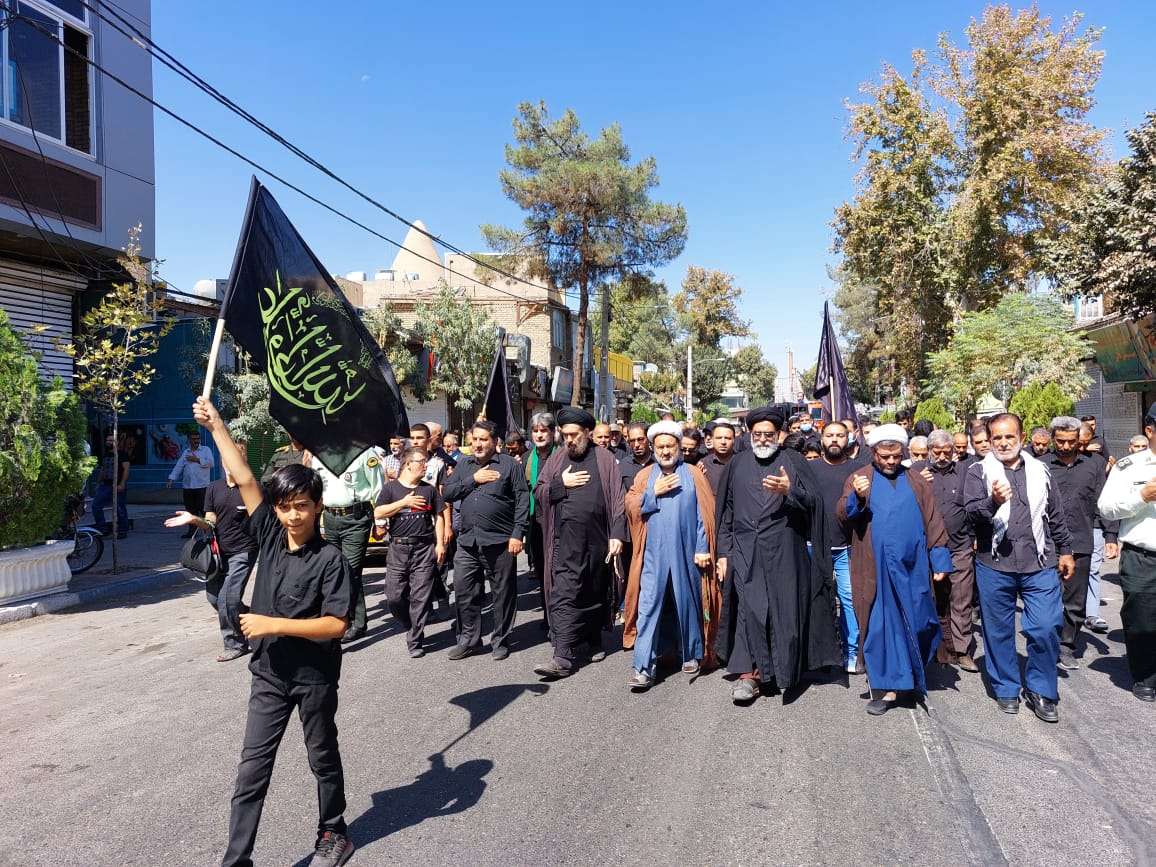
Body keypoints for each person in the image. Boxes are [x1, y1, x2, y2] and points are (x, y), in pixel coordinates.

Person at [193, 398, 354, 867]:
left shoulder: (331, 560)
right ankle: (236, 859)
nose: (291, 516)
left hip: (314, 677)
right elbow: (243, 478)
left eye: (301, 507)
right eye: (284, 508)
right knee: (251, 772)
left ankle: (334, 830)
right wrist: (217, 425)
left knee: (322, 757)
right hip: (268, 675)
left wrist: (272, 625)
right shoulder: (267, 534)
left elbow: (336, 625)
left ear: (318, 505)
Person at [713, 406, 841, 703]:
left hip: (785, 551)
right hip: (745, 551)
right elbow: (726, 514)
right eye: (757, 434)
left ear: (779, 434)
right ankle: (751, 675)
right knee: (750, 610)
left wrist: (790, 491)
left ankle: (784, 672)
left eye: (768, 434)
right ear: (749, 434)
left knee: (783, 612)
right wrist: (723, 553)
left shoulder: (793, 461)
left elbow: (815, 505)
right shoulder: (737, 463)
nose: (762, 439)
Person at [964, 413, 1075, 722]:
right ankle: (1007, 687)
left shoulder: (1041, 470)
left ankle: (1041, 689)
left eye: (1009, 436)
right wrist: (993, 501)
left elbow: (1055, 515)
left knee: (1045, 626)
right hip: (994, 563)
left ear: (1021, 437)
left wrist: (1066, 551)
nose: (1003, 442)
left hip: (1038, 561)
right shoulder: (978, 472)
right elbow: (971, 515)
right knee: (998, 630)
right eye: (996, 437)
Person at [838, 423, 952, 715]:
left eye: (895, 456)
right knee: (880, 628)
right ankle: (886, 687)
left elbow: (933, 521)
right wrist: (857, 499)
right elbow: (842, 517)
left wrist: (939, 558)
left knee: (917, 620)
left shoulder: (915, 480)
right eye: (884, 456)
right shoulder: (859, 478)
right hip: (875, 569)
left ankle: (911, 676)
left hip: (913, 567)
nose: (890, 461)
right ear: (873, 452)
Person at [623, 421, 718, 690]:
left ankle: (690, 653)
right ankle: (643, 667)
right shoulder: (645, 476)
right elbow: (631, 504)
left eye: (670, 446)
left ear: (679, 447)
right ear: (653, 448)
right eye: (660, 447)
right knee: (649, 605)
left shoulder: (692, 474)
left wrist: (702, 549)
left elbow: (704, 515)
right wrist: (653, 493)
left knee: (686, 600)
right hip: (653, 554)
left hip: (687, 552)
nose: (665, 451)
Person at [532, 407, 627, 679]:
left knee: (594, 590)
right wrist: (561, 483)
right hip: (565, 540)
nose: (569, 440)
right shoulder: (556, 459)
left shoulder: (605, 459)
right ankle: (562, 656)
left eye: (574, 435)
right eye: (565, 435)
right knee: (564, 592)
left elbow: (618, 500)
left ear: (587, 433)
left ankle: (593, 637)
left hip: (598, 540)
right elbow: (539, 492)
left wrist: (617, 535)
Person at [442, 420, 529, 661]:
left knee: (503, 593)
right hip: (467, 542)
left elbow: (522, 499)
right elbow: (448, 493)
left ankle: (500, 640)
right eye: (474, 439)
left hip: (500, 541)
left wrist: (517, 534)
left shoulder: (509, 465)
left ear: (494, 442)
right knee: (463, 590)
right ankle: (469, 639)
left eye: (483, 439)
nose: (477, 444)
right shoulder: (464, 464)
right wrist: (474, 479)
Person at [165, 439, 259, 663]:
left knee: (228, 598)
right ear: (222, 461)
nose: (230, 463)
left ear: (243, 461)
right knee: (214, 598)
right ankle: (255, 618)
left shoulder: (252, 489)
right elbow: (210, 523)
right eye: (227, 458)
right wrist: (194, 519)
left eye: (236, 459)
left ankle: (234, 644)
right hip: (219, 552)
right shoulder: (214, 489)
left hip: (244, 551)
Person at [1043, 417, 1117, 671]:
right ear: (1053, 438)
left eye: (1071, 441)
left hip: (1081, 541)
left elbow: (1104, 503)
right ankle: (1047, 644)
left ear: (1079, 440)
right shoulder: (1040, 465)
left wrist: (1110, 537)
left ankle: (1067, 645)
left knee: (1075, 600)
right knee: (1047, 598)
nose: (1065, 446)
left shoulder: (1094, 465)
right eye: (1060, 441)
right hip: (1046, 544)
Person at [1097, 403, 1156, 702]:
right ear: (1150, 430)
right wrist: (1141, 497)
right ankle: (1146, 675)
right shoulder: (1128, 467)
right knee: (1142, 620)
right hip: (1142, 556)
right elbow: (1106, 507)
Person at [914, 430, 979, 673]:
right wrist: (918, 483)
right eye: (937, 452)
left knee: (961, 600)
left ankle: (961, 651)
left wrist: (973, 538)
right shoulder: (915, 471)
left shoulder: (965, 472)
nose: (942, 457)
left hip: (959, 547)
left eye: (947, 452)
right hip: (926, 550)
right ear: (929, 450)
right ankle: (931, 650)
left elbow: (973, 507)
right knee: (928, 599)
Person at [373, 447, 445, 658]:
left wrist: (440, 544)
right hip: (398, 548)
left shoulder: (428, 490)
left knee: (421, 597)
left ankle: (415, 639)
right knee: (394, 596)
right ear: (408, 464)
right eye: (422, 461)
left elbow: (439, 516)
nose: (425, 465)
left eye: (426, 461)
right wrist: (404, 503)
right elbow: (378, 512)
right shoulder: (390, 489)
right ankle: (410, 624)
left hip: (423, 548)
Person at [807, 421, 865, 673]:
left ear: (849, 439)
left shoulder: (860, 470)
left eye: (839, 435)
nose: (834, 440)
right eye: (829, 435)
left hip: (847, 547)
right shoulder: (808, 469)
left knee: (850, 600)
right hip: (813, 546)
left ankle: (852, 653)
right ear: (821, 439)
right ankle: (816, 654)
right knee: (814, 600)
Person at [312, 448, 384, 643]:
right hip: (330, 517)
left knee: (350, 570)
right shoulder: (318, 453)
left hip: (356, 517)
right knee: (334, 570)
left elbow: (378, 487)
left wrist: (381, 522)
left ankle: (357, 622)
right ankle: (340, 615)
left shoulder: (364, 453)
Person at [167, 430, 215, 538]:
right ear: (189, 440)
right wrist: (171, 479)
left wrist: (197, 460)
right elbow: (179, 466)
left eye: (197, 439)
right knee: (190, 510)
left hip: (202, 486)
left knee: (204, 510)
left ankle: (211, 531)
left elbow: (211, 463)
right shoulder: (186, 452)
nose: (196, 441)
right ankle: (192, 532)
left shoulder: (206, 450)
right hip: (188, 487)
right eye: (193, 439)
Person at [92, 433, 130, 538]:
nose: (108, 442)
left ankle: (122, 530)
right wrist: (98, 483)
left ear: (117, 442)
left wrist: (122, 484)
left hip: (117, 484)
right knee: (96, 506)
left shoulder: (122, 454)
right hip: (106, 485)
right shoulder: (106, 454)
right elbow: (103, 469)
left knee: (119, 508)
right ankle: (102, 529)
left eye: (111, 440)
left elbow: (126, 469)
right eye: (107, 440)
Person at [700, 419, 736, 496]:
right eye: (719, 438)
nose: (723, 442)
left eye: (727, 438)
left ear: (734, 440)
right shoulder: (703, 465)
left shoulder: (743, 463)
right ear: (712, 440)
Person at [620, 422, 655, 486]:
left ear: (648, 439)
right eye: (632, 441)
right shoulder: (623, 466)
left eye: (640, 440)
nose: (636, 445)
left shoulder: (659, 462)